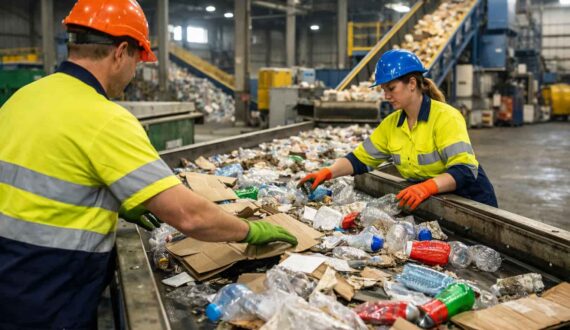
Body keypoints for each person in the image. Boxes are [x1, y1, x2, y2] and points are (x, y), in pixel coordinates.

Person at [0, 0, 296, 328]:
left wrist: (107, 198)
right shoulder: (104, 119)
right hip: (49, 290)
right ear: (121, 52)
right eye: (138, 61)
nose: (134, 72)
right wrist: (250, 230)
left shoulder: (24, 97)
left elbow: (44, 174)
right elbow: (190, 216)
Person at [299, 49, 497, 210]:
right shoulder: (392, 124)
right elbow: (359, 160)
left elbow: (465, 170)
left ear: (412, 83)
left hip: (471, 203)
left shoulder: (446, 117)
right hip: (435, 202)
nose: (386, 96)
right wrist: (327, 172)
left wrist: (427, 187)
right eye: (383, 90)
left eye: (391, 88)